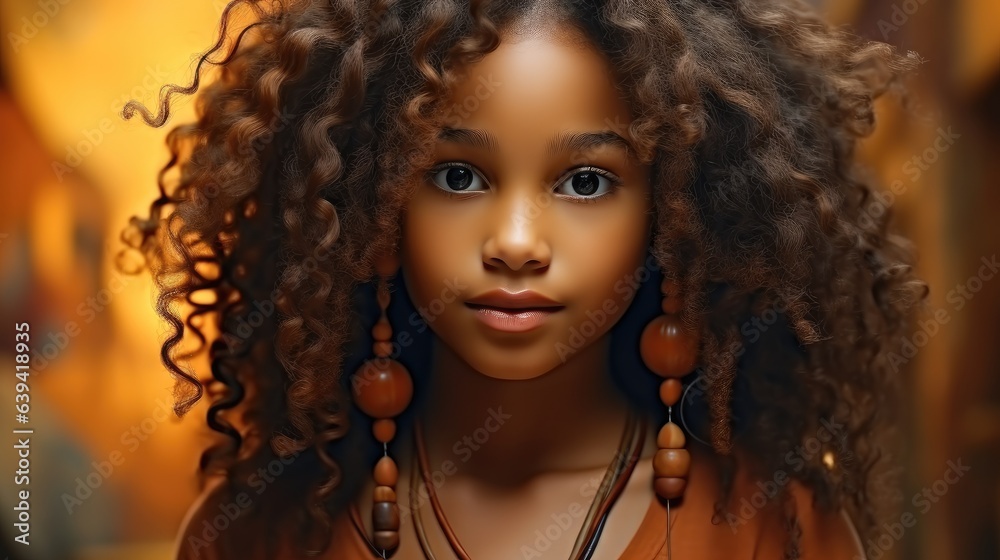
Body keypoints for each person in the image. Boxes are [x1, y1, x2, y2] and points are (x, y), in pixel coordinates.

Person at [120, 0, 926, 558]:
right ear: (374, 206)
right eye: (458, 177)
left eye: (584, 183)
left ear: (675, 218)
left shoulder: (773, 526)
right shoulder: (255, 532)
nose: (513, 243)